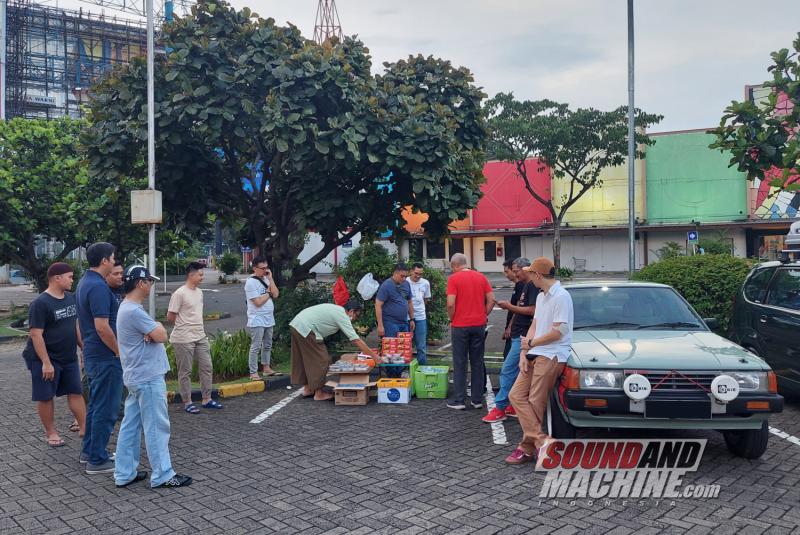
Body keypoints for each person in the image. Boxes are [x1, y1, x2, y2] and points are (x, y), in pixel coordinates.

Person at [114, 265, 192, 488]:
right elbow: (161, 335)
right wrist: (155, 328)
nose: (151, 285)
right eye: (149, 281)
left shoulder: (127, 308)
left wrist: (153, 331)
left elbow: (155, 335)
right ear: (141, 283)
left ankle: (124, 473)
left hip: (136, 376)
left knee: (131, 426)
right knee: (156, 426)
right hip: (147, 377)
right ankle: (163, 474)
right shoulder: (134, 311)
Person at [506, 257, 574, 465]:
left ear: (537, 275)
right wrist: (524, 352)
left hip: (552, 354)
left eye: (530, 273)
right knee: (515, 395)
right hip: (536, 352)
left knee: (536, 401)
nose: (527, 277)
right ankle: (542, 441)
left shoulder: (561, 296)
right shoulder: (543, 296)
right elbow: (534, 325)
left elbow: (559, 332)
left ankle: (526, 448)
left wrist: (533, 343)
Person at [22, 262, 86, 447]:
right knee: (45, 395)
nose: (72, 280)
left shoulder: (70, 298)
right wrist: (46, 362)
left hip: (68, 358)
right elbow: (35, 334)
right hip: (44, 359)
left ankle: (84, 428)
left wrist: (82, 347)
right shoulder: (40, 303)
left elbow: (74, 325)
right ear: (57, 278)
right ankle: (51, 433)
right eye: (70, 277)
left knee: (75, 391)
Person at [76, 242, 122, 475]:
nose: (114, 261)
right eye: (113, 258)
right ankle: (97, 459)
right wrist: (118, 351)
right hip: (105, 356)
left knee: (96, 404)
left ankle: (91, 451)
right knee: (106, 407)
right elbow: (102, 327)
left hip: (95, 354)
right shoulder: (98, 288)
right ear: (104, 260)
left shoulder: (85, 282)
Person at [290, 300, 378, 401]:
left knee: (303, 358)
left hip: (296, 324)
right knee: (321, 360)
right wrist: (375, 357)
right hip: (308, 327)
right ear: (351, 311)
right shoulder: (342, 316)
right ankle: (319, 393)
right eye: (356, 316)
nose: (355, 319)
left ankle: (308, 388)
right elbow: (356, 339)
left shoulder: (337, 310)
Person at [483, 258, 537, 423]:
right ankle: (512, 405)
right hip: (518, 334)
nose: (514, 274)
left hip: (523, 336)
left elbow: (533, 311)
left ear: (526, 269)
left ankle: (499, 408)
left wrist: (509, 307)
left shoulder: (533, 286)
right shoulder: (524, 285)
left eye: (516, 270)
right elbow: (520, 310)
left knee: (507, 370)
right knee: (517, 372)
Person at [167, 261, 223, 414]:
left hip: (200, 335)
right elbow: (170, 316)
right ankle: (188, 402)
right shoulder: (179, 293)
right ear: (191, 275)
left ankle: (207, 399)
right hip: (183, 338)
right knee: (185, 371)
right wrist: (184, 325)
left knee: (207, 367)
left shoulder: (199, 292)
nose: (202, 277)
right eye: (200, 274)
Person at [445, 253, 495, 410]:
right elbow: (491, 299)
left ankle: (460, 400)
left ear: (454, 265)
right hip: (479, 325)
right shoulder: (481, 277)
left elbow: (451, 303)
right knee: (477, 361)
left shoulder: (453, 279)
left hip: (460, 326)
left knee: (460, 362)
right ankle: (477, 399)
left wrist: (452, 318)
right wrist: (483, 314)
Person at [244, 255, 280, 380]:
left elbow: (276, 294)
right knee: (256, 346)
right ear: (255, 268)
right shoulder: (250, 282)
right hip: (257, 318)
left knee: (268, 345)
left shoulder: (266, 279)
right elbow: (258, 302)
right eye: (262, 268)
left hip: (269, 318)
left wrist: (271, 279)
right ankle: (253, 372)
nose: (265, 270)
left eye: (266, 267)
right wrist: (268, 293)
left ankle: (266, 368)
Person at [375, 263, 415, 338]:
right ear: (395, 273)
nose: (404, 279)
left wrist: (412, 319)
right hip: (390, 323)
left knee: (403, 348)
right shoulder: (386, 285)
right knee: (391, 349)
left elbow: (409, 302)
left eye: (406, 276)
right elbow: (378, 305)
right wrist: (380, 325)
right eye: (402, 276)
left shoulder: (406, 284)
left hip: (404, 322)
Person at [408, 263, 432, 365]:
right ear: (411, 271)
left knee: (421, 346)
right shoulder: (405, 282)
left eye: (420, 274)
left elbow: (426, 299)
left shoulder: (425, 283)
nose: (418, 276)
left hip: (421, 317)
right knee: (405, 345)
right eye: (416, 273)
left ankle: (422, 369)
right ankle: (405, 369)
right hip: (407, 318)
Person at [500, 259, 521, 370]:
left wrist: (509, 327)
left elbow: (518, 308)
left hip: (515, 330)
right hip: (513, 329)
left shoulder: (520, 285)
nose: (506, 274)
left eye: (507, 271)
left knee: (509, 363)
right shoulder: (517, 285)